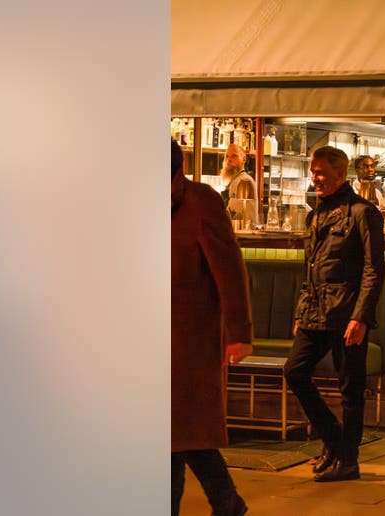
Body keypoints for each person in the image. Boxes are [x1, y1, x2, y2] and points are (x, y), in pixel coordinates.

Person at [284, 146, 385, 482]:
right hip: (315, 311)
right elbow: (309, 267)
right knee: (295, 372)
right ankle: (334, 441)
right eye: (313, 172)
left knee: (350, 390)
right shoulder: (316, 214)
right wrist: (302, 308)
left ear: (341, 174)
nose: (316, 178)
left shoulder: (362, 212)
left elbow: (374, 270)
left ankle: (348, 460)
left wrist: (362, 317)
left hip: (347, 315)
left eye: (322, 172)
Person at [171, 140, 253, 516]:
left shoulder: (202, 201)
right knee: (175, 432)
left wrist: (239, 333)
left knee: (181, 428)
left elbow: (230, 270)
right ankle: (227, 502)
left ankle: (225, 501)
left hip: (189, 335)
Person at [220, 143, 259, 226]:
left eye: (234, 156)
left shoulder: (244, 181)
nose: (229, 159)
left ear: (244, 159)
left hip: (245, 234)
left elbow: (233, 214)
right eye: (227, 156)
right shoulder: (235, 180)